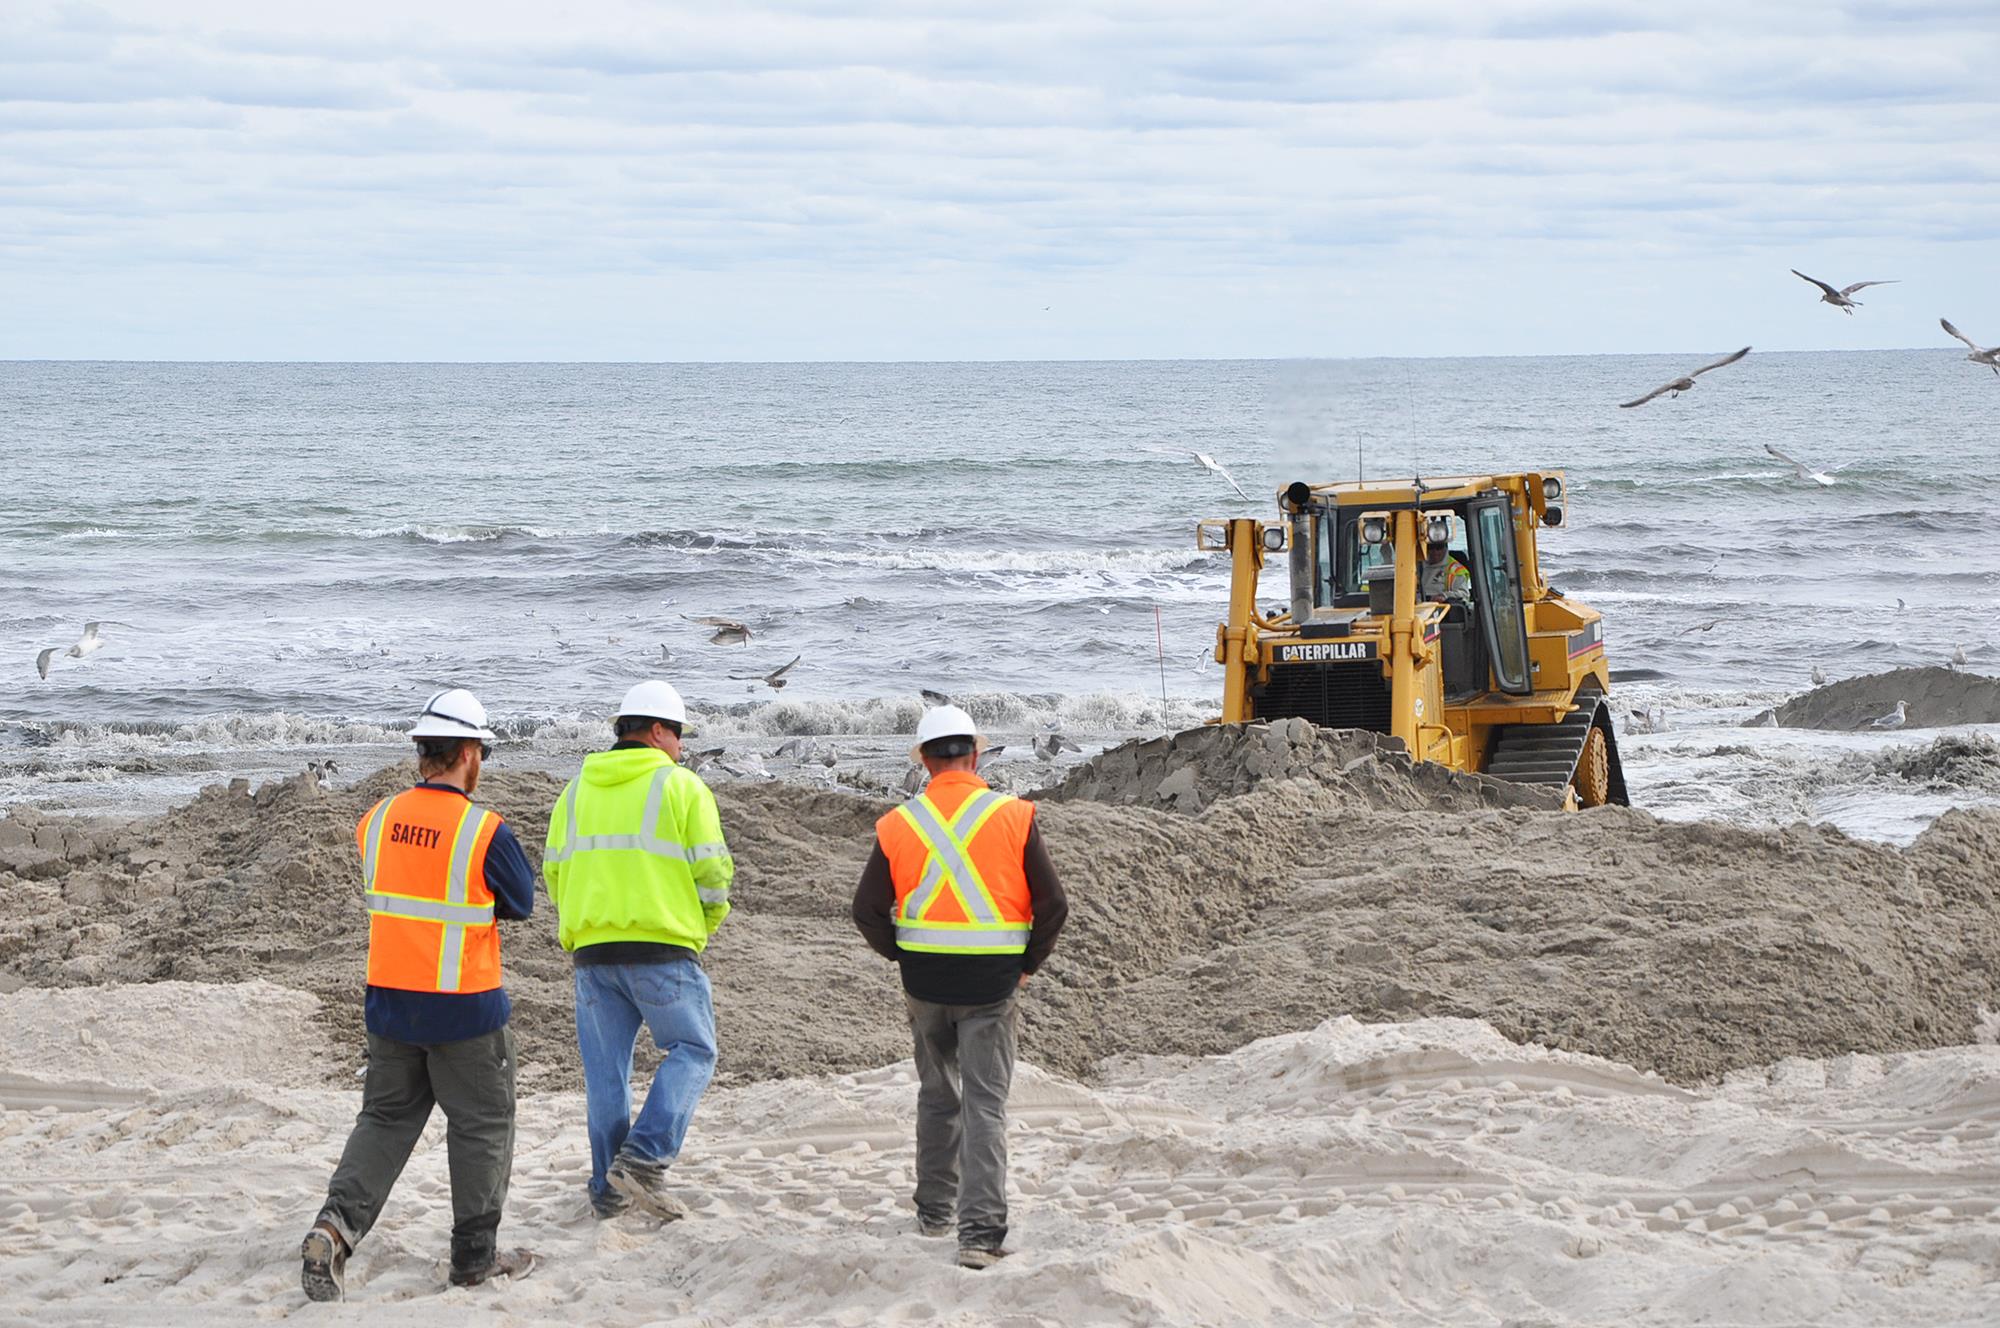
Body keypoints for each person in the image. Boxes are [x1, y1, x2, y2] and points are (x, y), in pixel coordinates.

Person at [300, 688, 537, 1302]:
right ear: (467, 754)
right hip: (465, 1007)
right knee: (483, 1124)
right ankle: (474, 1260)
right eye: (481, 750)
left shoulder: (375, 820)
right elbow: (520, 902)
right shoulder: (484, 829)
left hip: (389, 1004)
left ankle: (334, 1229)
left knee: (384, 1119)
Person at [851, 704, 1068, 1269]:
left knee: (937, 1095)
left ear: (923, 761)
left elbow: (868, 910)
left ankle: (933, 1211)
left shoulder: (900, 822)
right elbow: (1053, 906)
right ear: (976, 753)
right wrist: (1029, 962)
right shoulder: (1014, 815)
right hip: (992, 984)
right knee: (985, 1105)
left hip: (924, 981)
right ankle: (978, 1235)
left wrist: (901, 955)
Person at [542, 679, 733, 1220]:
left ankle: (608, 1191)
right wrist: (699, 925)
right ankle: (645, 1158)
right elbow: (714, 875)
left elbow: (554, 872)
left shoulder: (575, 790)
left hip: (594, 953)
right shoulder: (681, 787)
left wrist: (584, 923)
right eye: (678, 736)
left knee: (607, 1077)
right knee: (694, 1051)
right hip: (664, 948)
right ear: (656, 731)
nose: (682, 747)